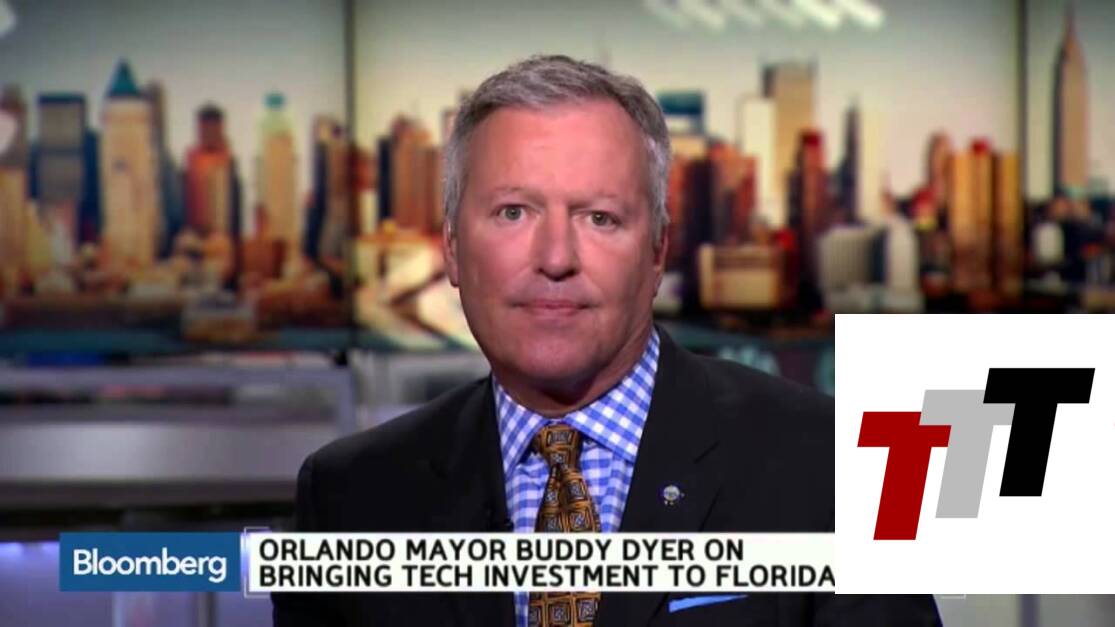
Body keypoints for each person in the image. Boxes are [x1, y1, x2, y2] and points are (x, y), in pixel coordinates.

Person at [273, 54, 940, 626]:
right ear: (451, 248)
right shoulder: (350, 496)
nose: (555, 257)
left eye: (599, 217)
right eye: (513, 212)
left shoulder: (832, 467)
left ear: (657, 251)